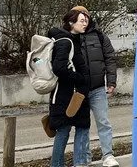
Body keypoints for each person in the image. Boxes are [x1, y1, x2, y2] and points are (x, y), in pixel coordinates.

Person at [71, 5, 119, 167]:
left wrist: (111, 82)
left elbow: (110, 58)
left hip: (98, 88)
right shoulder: (69, 38)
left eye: (85, 17)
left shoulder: (99, 36)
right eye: (79, 18)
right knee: (82, 126)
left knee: (103, 123)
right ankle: (84, 159)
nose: (83, 21)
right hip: (79, 90)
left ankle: (108, 156)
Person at [48, 9, 91, 167]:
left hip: (73, 94)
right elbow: (59, 68)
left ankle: (74, 163)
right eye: (81, 20)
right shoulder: (66, 41)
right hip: (66, 95)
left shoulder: (74, 39)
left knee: (77, 127)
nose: (85, 23)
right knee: (63, 131)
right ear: (71, 22)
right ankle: (57, 165)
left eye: (86, 20)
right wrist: (80, 78)